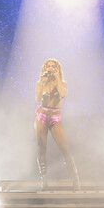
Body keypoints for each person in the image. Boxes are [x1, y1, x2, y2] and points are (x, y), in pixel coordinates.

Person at [34, 59, 78, 188]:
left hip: (55, 117)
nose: (51, 68)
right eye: (48, 66)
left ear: (57, 69)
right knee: (41, 147)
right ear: (45, 68)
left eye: (53, 66)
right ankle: (44, 180)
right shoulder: (40, 83)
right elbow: (37, 98)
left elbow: (62, 94)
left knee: (64, 148)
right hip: (41, 116)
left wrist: (57, 77)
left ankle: (75, 179)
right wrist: (42, 82)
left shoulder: (62, 83)